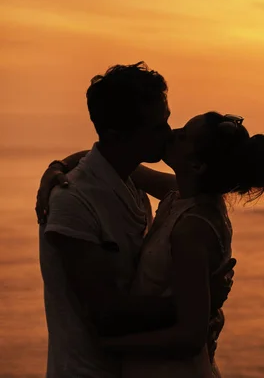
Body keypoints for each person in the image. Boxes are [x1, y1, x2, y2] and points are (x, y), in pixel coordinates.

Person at [37, 112, 264, 377]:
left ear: (196, 166)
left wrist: (113, 347)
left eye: (184, 135)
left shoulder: (191, 229)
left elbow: (190, 336)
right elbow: (105, 161)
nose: (172, 132)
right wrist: (57, 167)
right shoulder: (183, 195)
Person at [37, 62, 234, 378]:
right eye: (158, 127)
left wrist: (59, 163)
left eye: (168, 121)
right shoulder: (72, 201)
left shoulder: (132, 181)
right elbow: (106, 312)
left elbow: (97, 158)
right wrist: (199, 300)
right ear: (118, 134)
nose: (169, 133)